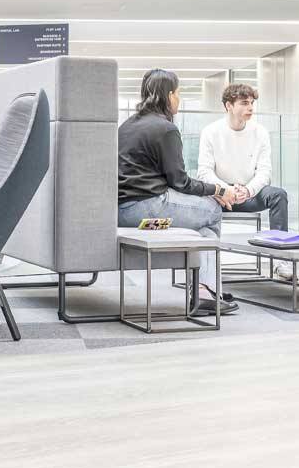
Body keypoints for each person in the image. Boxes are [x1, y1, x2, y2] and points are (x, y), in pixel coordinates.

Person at [117, 68, 239, 316]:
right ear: (168, 95)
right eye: (178, 93)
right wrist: (218, 189)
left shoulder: (127, 125)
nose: (179, 99)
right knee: (214, 210)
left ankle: (206, 290)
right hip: (150, 208)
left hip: (123, 213)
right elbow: (180, 182)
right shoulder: (165, 129)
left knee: (203, 229)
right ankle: (205, 290)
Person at [197, 83, 291, 278]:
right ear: (228, 106)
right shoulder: (211, 132)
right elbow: (204, 172)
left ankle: (281, 262)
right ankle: (206, 268)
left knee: (278, 195)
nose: (250, 108)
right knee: (199, 201)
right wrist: (225, 190)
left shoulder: (261, 132)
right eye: (244, 103)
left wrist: (247, 191)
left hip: (250, 192)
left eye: (252, 103)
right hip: (220, 195)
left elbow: (265, 172)